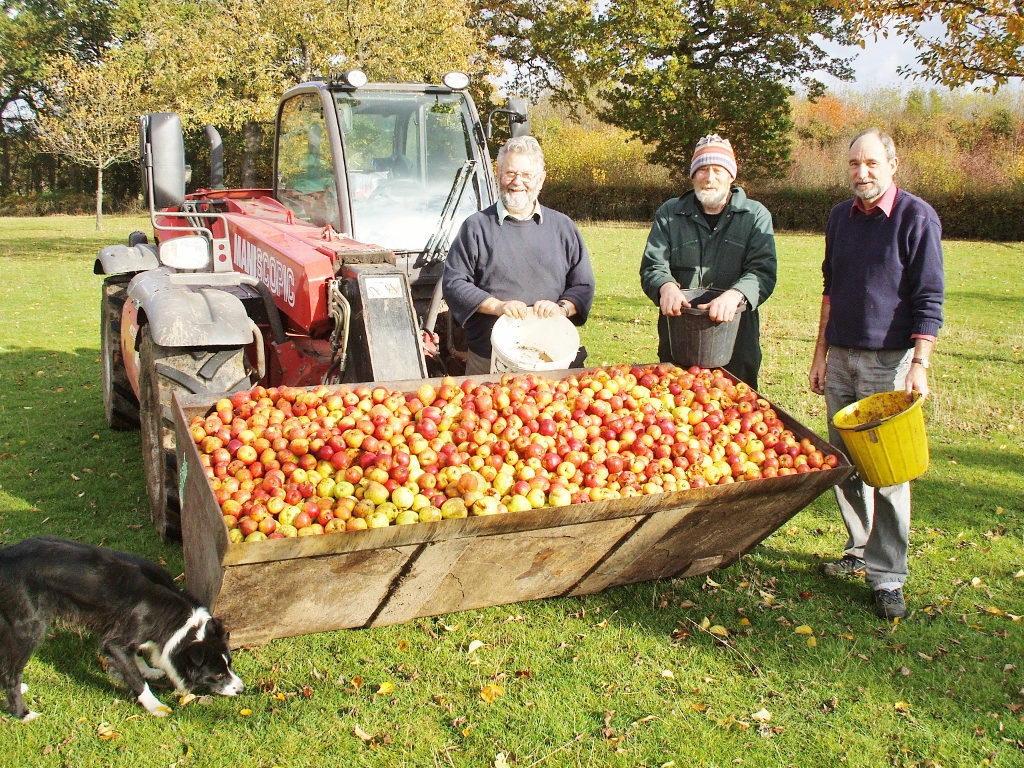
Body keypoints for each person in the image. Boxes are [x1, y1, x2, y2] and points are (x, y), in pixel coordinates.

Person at [809, 127, 945, 620]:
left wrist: (921, 364)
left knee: (887, 473)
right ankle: (858, 547)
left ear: (892, 165)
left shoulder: (916, 218)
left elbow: (929, 297)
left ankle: (888, 576)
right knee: (843, 460)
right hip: (841, 355)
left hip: (890, 362)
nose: (861, 173)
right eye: (853, 164)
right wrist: (820, 353)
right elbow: (830, 288)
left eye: (870, 163)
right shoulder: (839, 218)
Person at [443, 136, 595, 375]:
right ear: (498, 173)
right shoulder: (476, 227)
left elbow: (583, 286)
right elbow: (454, 284)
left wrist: (562, 308)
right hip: (488, 360)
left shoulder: (563, 227)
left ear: (541, 179)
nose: (517, 182)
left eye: (527, 175)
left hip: (551, 360)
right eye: (510, 173)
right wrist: (497, 306)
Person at [639, 134, 777, 389]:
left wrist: (736, 295)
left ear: (731, 175)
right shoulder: (670, 213)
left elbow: (763, 271)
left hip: (736, 341)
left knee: (735, 419)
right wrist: (665, 286)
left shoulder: (755, 216)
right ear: (693, 175)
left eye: (718, 170)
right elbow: (653, 264)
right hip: (680, 342)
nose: (710, 177)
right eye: (702, 169)